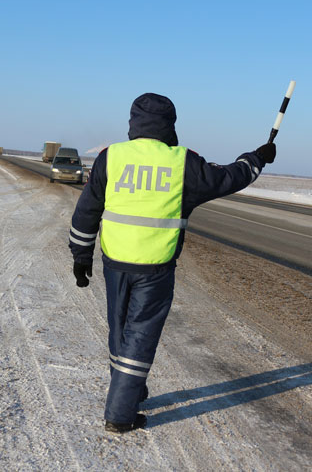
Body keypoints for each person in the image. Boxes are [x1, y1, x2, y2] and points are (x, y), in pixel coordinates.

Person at [68, 93, 277, 433]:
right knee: (140, 336)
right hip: (155, 267)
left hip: (115, 262)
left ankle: (129, 390)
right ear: (170, 125)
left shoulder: (112, 157)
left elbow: (87, 209)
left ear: (133, 123)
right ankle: (120, 414)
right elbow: (228, 177)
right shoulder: (183, 163)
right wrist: (257, 158)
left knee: (120, 331)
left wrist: (80, 255)